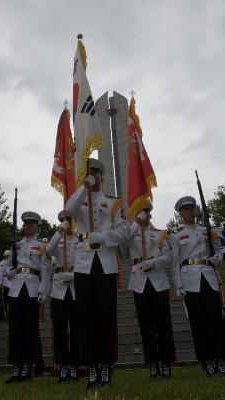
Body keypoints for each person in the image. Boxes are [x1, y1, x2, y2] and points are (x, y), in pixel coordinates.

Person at [65, 158, 129, 388]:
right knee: (85, 317)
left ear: (102, 176)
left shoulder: (113, 203)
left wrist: (103, 237)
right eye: (90, 173)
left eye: (96, 173)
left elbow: (124, 232)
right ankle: (92, 366)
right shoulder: (80, 199)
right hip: (83, 264)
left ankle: (106, 366)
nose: (93, 176)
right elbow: (68, 210)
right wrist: (83, 187)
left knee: (106, 317)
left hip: (105, 263)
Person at [171, 196, 225, 375]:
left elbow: (220, 249)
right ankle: (206, 359)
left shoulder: (206, 230)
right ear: (180, 214)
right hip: (189, 279)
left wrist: (216, 259)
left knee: (215, 320)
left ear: (195, 211)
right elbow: (175, 262)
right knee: (198, 321)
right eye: (185, 210)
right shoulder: (176, 235)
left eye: (191, 209)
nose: (189, 212)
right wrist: (178, 285)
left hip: (208, 276)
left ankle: (220, 358)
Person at [128, 201, 175, 378]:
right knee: (145, 324)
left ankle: (166, 361)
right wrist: (136, 222)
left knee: (163, 323)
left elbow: (168, 258)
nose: (143, 215)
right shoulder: (131, 233)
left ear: (150, 214)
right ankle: (152, 362)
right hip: (139, 282)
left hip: (158, 281)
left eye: (145, 212)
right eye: (140, 212)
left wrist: (154, 262)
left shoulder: (161, 234)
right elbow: (124, 239)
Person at [6, 211, 51, 383]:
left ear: (36, 226)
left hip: (32, 287)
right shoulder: (15, 246)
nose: (28, 226)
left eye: (31, 224)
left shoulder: (41, 245)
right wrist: (10, 272)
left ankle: (27, 367)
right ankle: (16, 368)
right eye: (26, 224)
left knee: (30, 330)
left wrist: (43, 291)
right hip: (16, 288)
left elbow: (45, 269)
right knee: (15, 329)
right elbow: (8, 269)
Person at [47, 211, 80, 383]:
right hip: (58, 286)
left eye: (69, 221)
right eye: (64, 221)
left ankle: (74, 365)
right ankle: (63, 366)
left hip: (75, 286)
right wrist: (60, 231)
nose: (67, 224)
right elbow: (48, 250)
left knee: (75, 328)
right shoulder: (56, 240)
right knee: (59, 329)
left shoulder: (79, 240)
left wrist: (76, 276)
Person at [0, 250, 11, 320]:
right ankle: (2, 314)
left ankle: (6, 314)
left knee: (6, 300)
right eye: (7, 255)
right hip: (5, 282)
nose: (7, 256)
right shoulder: (3, 262)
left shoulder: (9, 262)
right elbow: (0, 274)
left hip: (10, 283)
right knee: (3, 299)